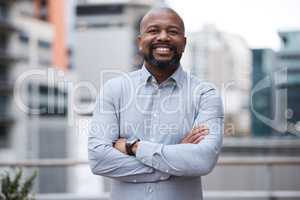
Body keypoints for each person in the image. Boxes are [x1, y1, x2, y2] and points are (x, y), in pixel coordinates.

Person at [88, 7, 224, 200]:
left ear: (184, 43)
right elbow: (99, 160)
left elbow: (203, 160)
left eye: (173, 31)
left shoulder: (205, 94)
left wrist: (133, 147)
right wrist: (174, 162)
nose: (163, 37)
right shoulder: (114, 89)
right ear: (140, 42)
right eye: (153, 31)